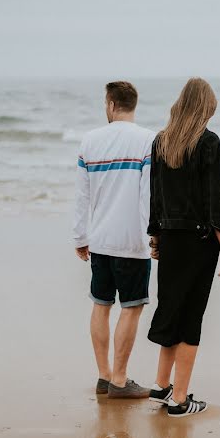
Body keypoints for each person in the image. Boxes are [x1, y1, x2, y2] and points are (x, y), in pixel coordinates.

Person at [146, 77, 220, 417]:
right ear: (205, 108)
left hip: (169, 238)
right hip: (199, 240)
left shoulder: (161, 142)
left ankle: (160, 385)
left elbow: (155, 196)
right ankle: (180, 400)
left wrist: (156, 235)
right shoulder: (208, 142)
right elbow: (214, 198)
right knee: (190, 317)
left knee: (170, 309)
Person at [72, 81, 156, 399]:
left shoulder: (90, 141)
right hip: (133, 241)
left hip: (100, 240)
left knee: (101, 305)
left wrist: (81, 237)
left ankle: (104, 376)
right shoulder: (149, 141)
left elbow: (82, 197)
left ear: (110, 105)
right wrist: (154, 235)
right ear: (132, 105)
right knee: (131, 308)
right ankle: (120, 380)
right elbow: (149, 194)